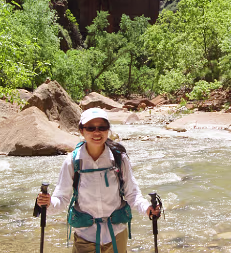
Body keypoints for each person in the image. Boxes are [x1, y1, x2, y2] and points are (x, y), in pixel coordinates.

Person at [37, 107, 160, 253]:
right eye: (90, 128)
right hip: (85, 235)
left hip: (116, 233)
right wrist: (48, 203)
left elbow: (132, 194)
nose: (97, 132)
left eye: (102, 127)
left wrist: (147, 208)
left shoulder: (119, 159)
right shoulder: (73, 161)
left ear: (108, 130)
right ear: (82, 131)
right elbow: (62, 198)